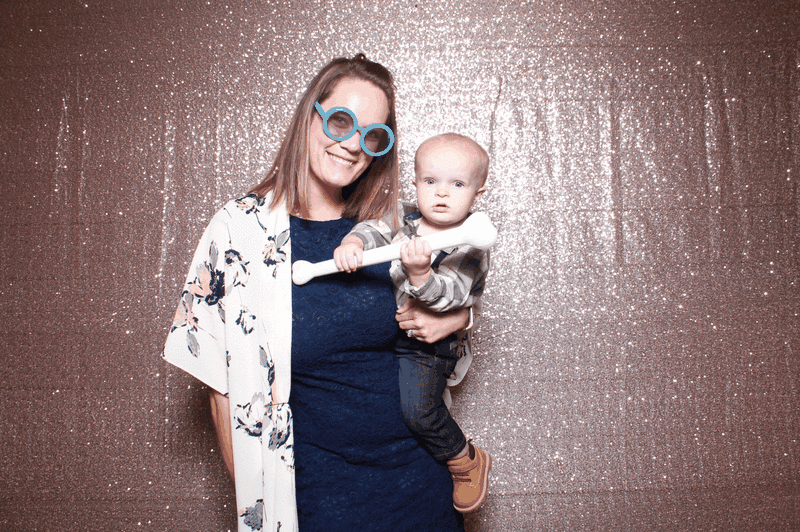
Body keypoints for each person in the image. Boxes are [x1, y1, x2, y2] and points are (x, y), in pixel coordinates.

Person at [162, 54, 471, 532]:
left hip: (417, 489)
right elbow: (219, 382)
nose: (352, 145)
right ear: (310, 115)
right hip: (311, 495)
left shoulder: (391, 229)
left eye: (372, 135)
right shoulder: (241, 232)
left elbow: (445, 310)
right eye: (340, 121)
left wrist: (459, 319)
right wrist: (258, 503)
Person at [333, 133, 492, 513]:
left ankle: (463, 459)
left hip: (431, 347)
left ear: (478, 192)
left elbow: (454, 295)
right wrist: (354, 244)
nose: (442, 193)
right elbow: (374, 228)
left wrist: (421, 275)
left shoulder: (472, 244)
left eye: (457, 184)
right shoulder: (404, 217)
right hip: (390, 336)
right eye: (430, 181)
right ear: (416, 182)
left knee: (419, 410)